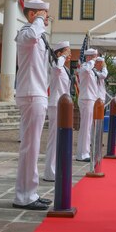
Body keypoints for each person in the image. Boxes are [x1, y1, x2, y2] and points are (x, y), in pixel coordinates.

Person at [12, 0, 53, 210]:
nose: (46, 19)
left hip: (37, 94)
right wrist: (38, 19)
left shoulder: (36, 34)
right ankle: (24, 195)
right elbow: (29, 36)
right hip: (31, 94)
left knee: (33, 147)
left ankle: (30, 191)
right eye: (44, 14)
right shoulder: (26, 32)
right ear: (32, 15)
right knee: (30, 147)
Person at [43, 40, 72, 182]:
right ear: (59, 53)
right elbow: (57, 65)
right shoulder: (56, 65)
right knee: (54, 139)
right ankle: (49, 171)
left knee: (59, 139)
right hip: (56, 105)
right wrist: (61, 56)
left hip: (63, 106)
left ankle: (55, 169)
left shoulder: (64, 68)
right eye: (67, 51)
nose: (69, 55)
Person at [75, 48, 99, 162]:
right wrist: (92, 61)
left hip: (91, 99)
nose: (96, 58)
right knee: (85, 128)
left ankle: (84, 152)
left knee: (87, 127)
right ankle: (83, 154)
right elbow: (84, 70)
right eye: (94, 56)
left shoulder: (92, 69)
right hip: (86, 99)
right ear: (89, 57)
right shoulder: (85, 67)